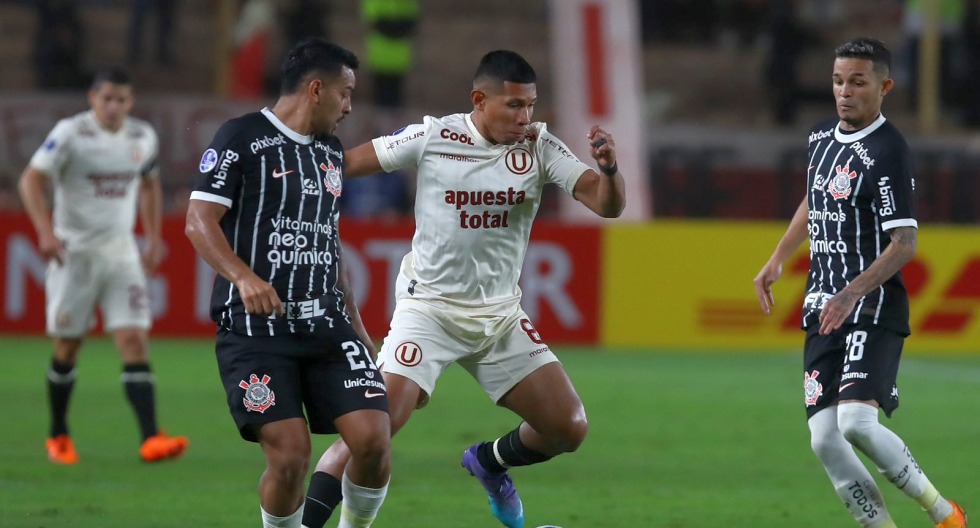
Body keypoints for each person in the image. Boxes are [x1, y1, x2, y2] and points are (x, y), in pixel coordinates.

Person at [304, 49, 626, 528]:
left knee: (568, 428)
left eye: (531, 105)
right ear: (479, 100)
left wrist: (609, 170)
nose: (526, 117)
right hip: (428, 312)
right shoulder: (434, 136)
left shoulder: (539, 146)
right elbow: (343, 165)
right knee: (371, 433)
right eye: (514, 105)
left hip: (499, 318)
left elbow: (606, 204)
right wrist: (295, 183)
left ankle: (489, 462)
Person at [753, 37, 967, 528]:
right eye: (837, 81)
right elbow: (815, 199)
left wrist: (852, 292)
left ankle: (944, 513)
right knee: (825, 439)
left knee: (855, 422)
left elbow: (905, 243)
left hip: (871, 306)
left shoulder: (888, 151)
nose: (844, 91)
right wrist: (779, 257)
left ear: (884, 87)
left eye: (857, 82)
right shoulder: (820, 137)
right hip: (822, 307)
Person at [184, 38, 391, 528]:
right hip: (256, 332)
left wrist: (359, 328)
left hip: (327, 325)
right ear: (316, 89)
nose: (349, 106)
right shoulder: (240, 137)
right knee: (291, 457)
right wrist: (243, 277)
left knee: (373, 439)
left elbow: (327, 244)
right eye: (345, 93)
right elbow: (198, 221)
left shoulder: (330, 153)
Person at [18, 67, 189, 465]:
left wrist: (153, 238)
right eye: (107, 98)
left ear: (131, 102)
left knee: (134, 340)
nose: (114, 106)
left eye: (121, 100)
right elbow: (30, 180)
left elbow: (149, 184)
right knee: (68, 345)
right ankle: (58, 434)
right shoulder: (70, 133)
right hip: (73, 254)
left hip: (121, 253)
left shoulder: (142, 136)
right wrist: (45, 231)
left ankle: (151, 438)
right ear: (92, 98)